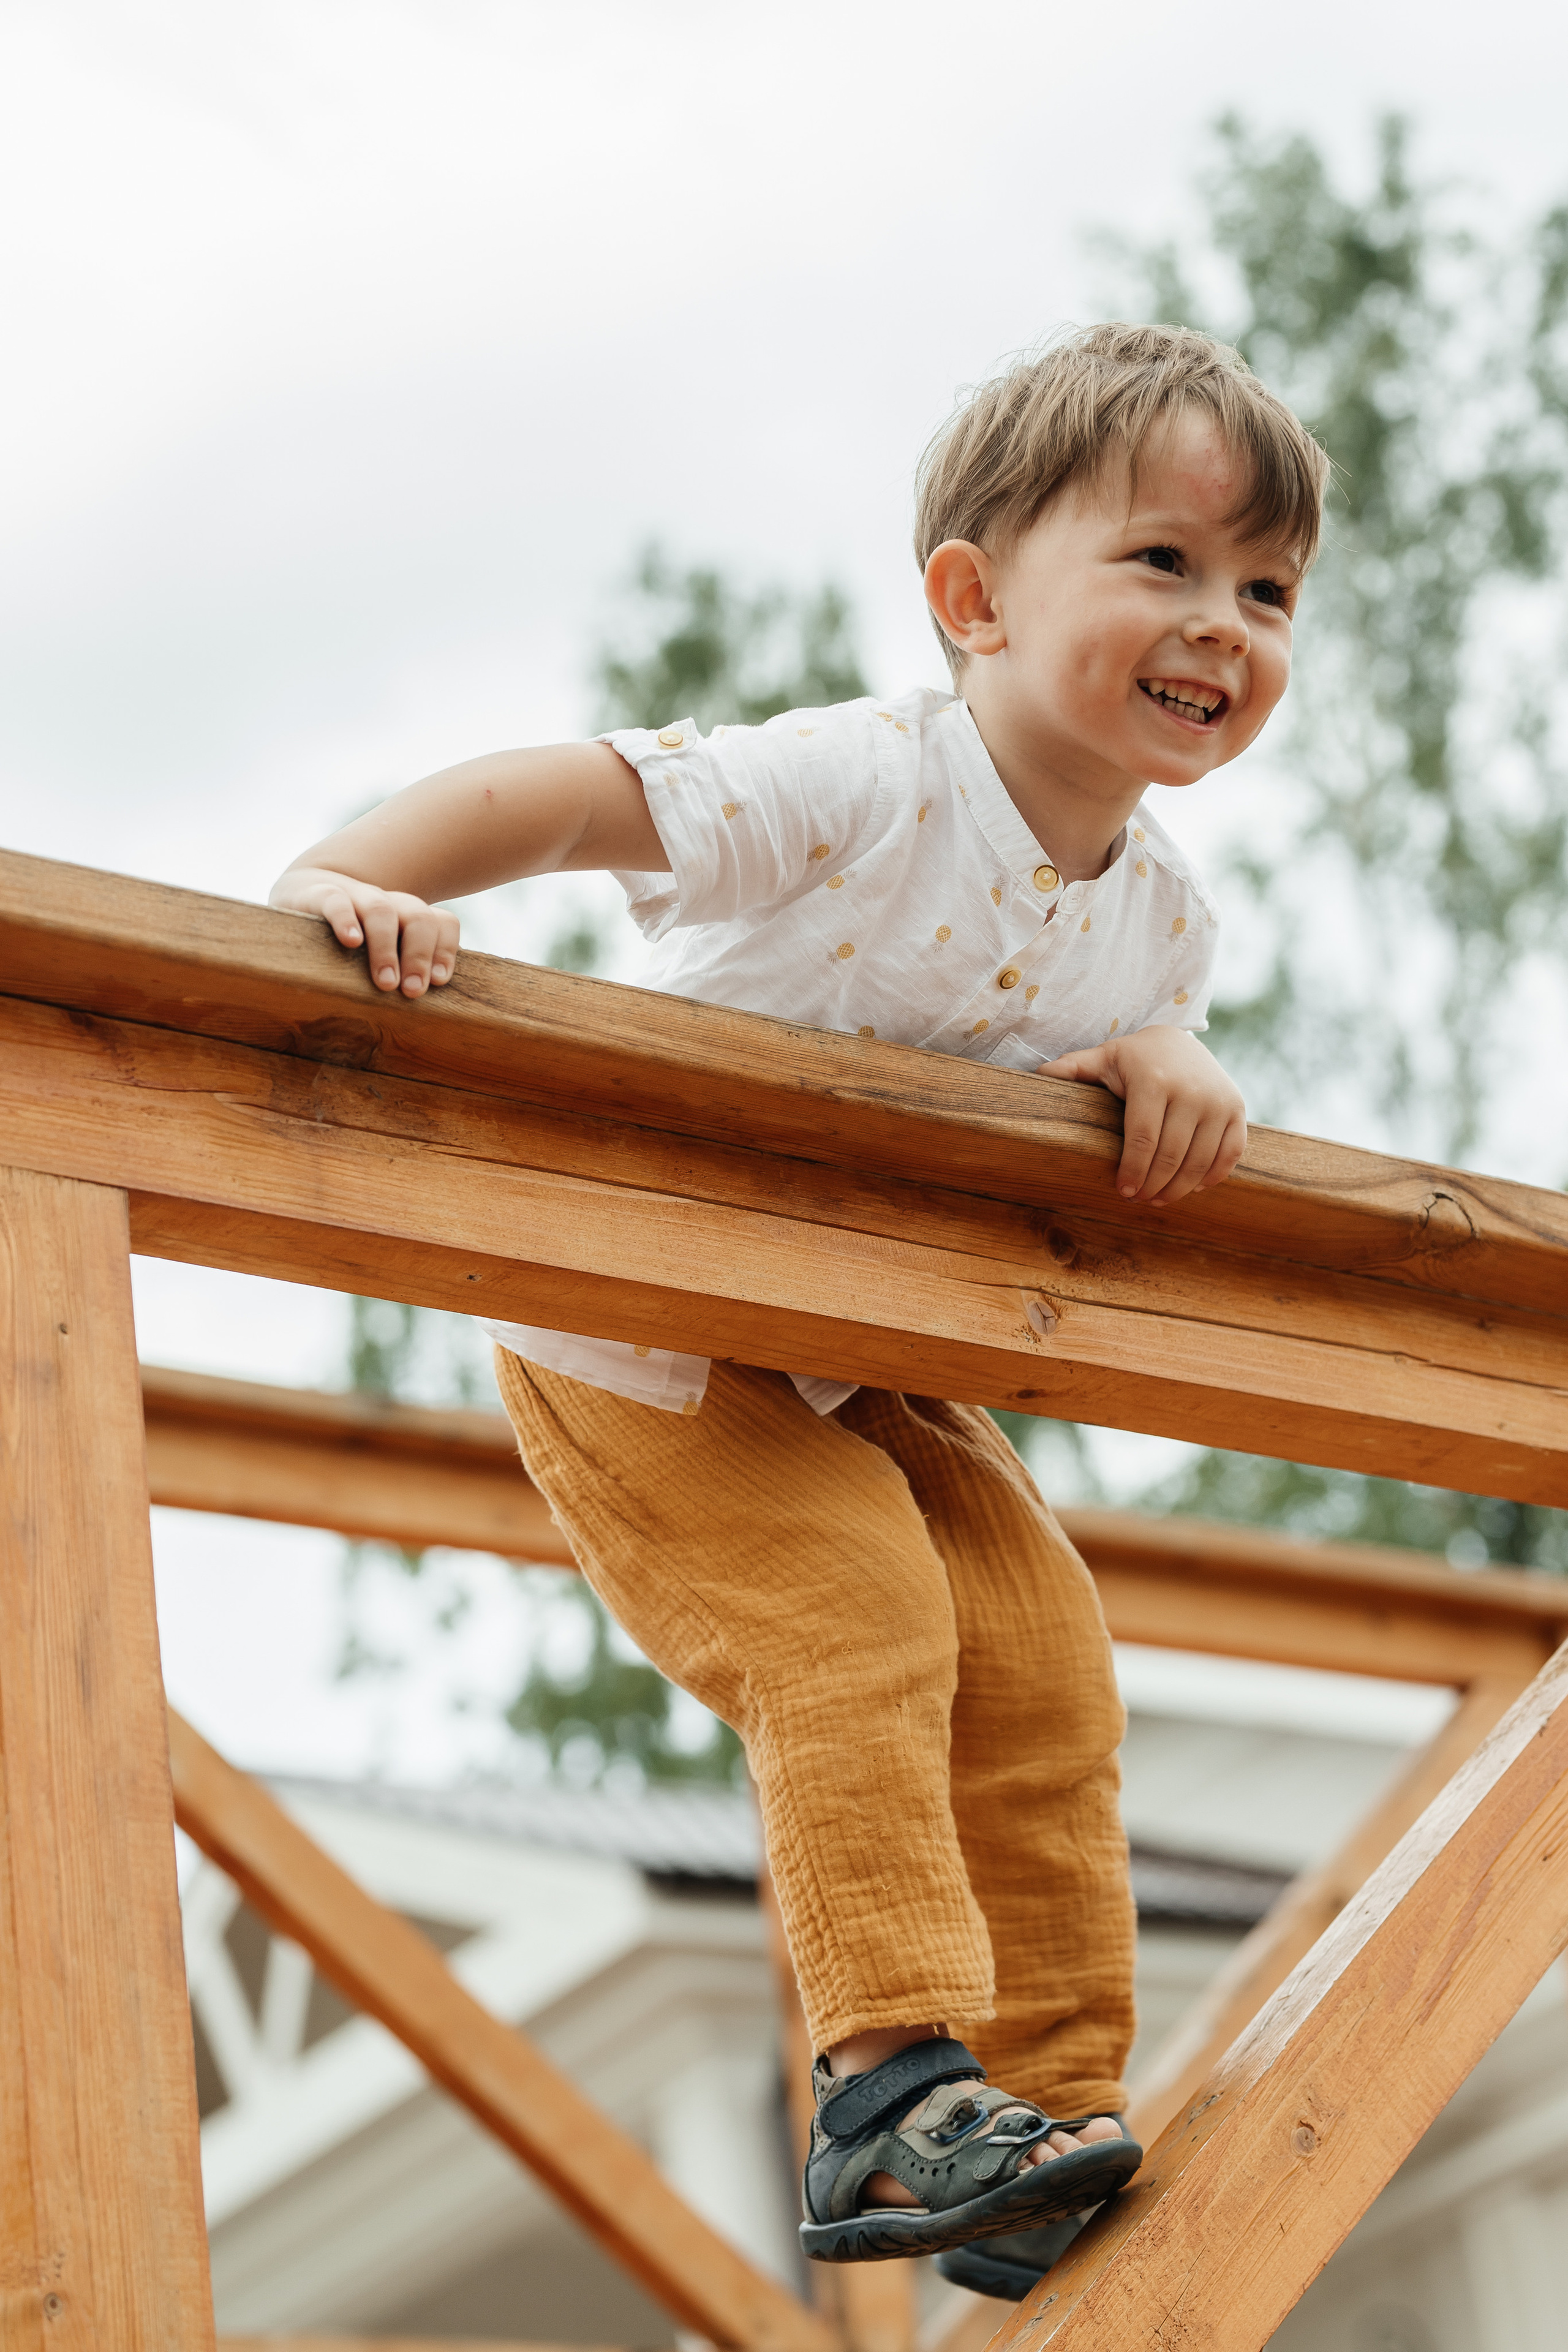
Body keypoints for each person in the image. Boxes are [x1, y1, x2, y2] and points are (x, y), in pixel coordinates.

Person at [271, 323, 1329, 2294]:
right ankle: (891, 2085)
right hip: (640, 1335)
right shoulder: (864, 775)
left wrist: (1174, 1067)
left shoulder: (1163, 914)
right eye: (1167, 565)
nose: (1225, 626)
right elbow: (558, 795)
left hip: (858, 1362)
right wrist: (356, 876)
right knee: (855, 1617)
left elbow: (1132, 1038)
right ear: (973, 598)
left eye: (1268, 590)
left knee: (1040, 1651)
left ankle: (1042, 2105)